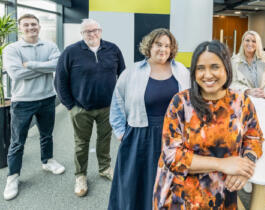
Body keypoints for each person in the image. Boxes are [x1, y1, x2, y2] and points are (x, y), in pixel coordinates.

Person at [153, 40, 264, 209]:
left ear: (226, 67)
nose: (207, 74)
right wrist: (222, 164)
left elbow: (254, 137)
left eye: (214, 67)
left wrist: (245, 166)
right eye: (200, 68)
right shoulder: (181, 102)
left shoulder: (241, 102)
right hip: (181, 197)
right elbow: (172, 156)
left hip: (223, 195)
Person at [107, 28, 190, 210]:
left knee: (171, 186)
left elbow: (191, 102)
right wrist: (122, 133)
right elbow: (117, 103)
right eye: (158, 44)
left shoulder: (182, 71)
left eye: (167, 46)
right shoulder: (132, 72)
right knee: (136, 187)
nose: (163, 49)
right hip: (139, 137)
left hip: (173, 137)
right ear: (149, 46)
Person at [54, 19, 125, 197]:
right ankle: (80, 175)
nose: (92, 34)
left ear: (100, 31)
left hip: (108, 108)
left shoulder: (113, 49)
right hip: (81, 109)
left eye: (95, 30)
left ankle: (105, 168)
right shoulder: (71, 52)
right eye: (87, 31)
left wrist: (120, 102)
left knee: (104, 139)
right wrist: (70, 106)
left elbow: (122, 75)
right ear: (81, 34)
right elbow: (60, 81)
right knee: (81, 143)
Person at [3, 14, 65, 201]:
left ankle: (47, 161)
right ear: (20, 28)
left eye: (34, 24)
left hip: (47, 98)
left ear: (39, 26)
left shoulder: (50, 46)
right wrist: (44, 67)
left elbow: (57, 65)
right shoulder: (12, 49)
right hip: (22, 101)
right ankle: (13, 176)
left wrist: (31, 64)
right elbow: (16, 73)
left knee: (46, 134)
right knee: (17, 142)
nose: (31, 27)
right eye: (26, 25)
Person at [231, 30, 265, 100]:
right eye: (247, 40)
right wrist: (247, 91)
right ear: (243, 42)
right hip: (244, 100)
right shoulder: (234, 60)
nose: (250, 44)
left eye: (254, 41)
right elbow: (232, 82)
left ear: (258, 43)